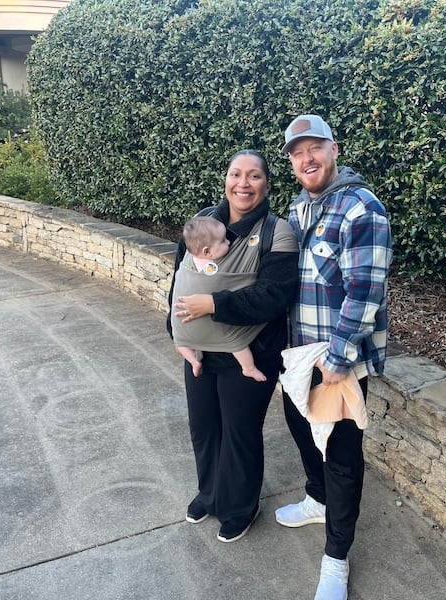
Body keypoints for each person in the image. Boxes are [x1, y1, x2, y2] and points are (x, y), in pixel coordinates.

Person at [275, 115, 393, 600]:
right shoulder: (298, 209)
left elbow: (365, 290)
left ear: (334, 150)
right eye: (297, 152)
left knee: (342, 457)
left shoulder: (362, 208)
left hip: (335, 359)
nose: (307, 158)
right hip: (300, 353)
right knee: (300, 428)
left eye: (315, 148)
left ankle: (336, 560)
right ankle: (316, 499)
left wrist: (341, 356)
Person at [167, 149, 299, 543]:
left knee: (239, 432)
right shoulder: (203, 223)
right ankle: (209, 494)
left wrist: (214, 304)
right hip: (202, 348)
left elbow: (273, 298)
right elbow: (181, 280)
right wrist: (176, 334)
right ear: (225, 178)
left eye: (254, 176)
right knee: (204, 428)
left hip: (252, 348)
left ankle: (241, 505)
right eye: (236, 174)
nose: (243, 183)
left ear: (267, 185)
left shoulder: (279, 232)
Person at [171, 215, 267, 382]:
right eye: (223, 241)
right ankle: (249, 368)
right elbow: (234, 282)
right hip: (221, 334)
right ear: (207, 252)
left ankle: (194, 361)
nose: (228, 242)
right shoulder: (212, 266)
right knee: (238, 345)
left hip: (183, 330)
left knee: (181, 344)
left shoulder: (189, 262)